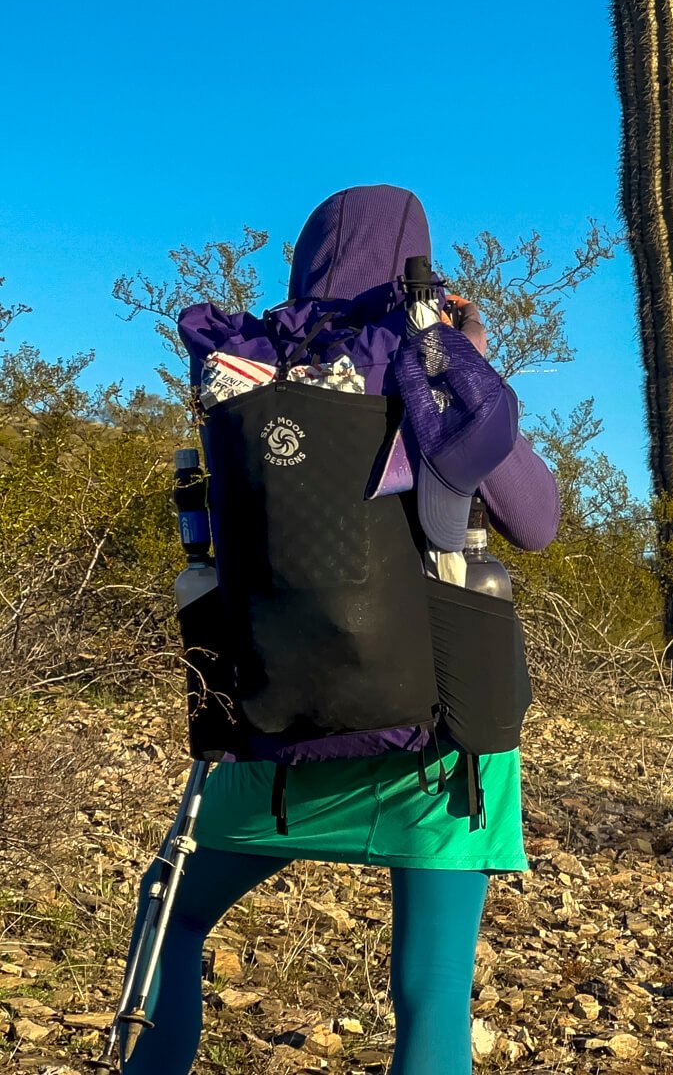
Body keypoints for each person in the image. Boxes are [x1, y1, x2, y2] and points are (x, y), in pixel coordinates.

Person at [127, 185, 560, 1075]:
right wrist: (470, 364)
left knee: (174, 913)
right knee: (430, 993)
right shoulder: (427, 361)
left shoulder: (248, 372)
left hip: (279, 728)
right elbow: (537, 521)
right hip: (441, 743)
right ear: (418, 266)